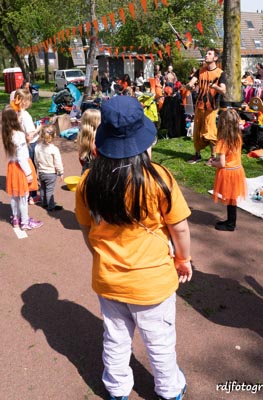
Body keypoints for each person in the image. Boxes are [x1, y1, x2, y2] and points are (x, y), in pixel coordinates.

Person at [75, 95, 192, 400]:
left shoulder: (88, 182)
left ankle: (116, 389)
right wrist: (184, 259)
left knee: (115, 338)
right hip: (152, 283)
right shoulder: (159, 178)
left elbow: (87, 228)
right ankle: (169, 389)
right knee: (160, 341)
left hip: (109, 279)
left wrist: (99, 256)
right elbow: (179, 227)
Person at [1, 106, 43, 230]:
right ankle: (25, 222)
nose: (20, 115)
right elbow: (21, 157)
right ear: (14, 118)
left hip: (12, 167)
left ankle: (15, 218)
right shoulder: (18, 134)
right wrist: (29, 173)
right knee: (24, 196)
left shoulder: (7, 133)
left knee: (14, 195)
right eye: (17, 114)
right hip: (21, 167)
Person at [207, 109, 247, 231]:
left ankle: (230, 224)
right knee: (232, 198)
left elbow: (222, 163)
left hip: (228, 173)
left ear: (222, 124)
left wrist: (212, 163)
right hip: (238, 170)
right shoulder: (238, 137)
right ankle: (231, 221)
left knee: (230, 197)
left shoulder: (223, 141)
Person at [187, 48, 227, 164]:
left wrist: (215, 87)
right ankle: (197, 155)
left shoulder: (220, 73)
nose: (206, 55)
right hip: (199, 106)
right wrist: (189, 86)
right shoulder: (200, 71)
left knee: (210, 132)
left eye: (209, 54)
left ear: (215, 58)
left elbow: (223, 90)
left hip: (212, 107)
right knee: (197, 132)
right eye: (206, 53)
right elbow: (191, 82)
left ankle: (213, 156)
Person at [12, 89, 42, 205]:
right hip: (30, 144)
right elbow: (30, 135)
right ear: (24, 102)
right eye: (29, 100)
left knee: (25, 168)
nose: (31, 102)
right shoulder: (26, 116)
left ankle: (27, 192)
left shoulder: (15, 113)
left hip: (21, 144)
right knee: (31, 169)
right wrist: (38, 128)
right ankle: (32, 195)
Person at [34, 125, 64, 211]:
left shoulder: (37, 146)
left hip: (41, 172)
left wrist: (37, 168)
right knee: (50, 190)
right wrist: (61, 172)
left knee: (43, 188)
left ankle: (44, 203)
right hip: (51, 173)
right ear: (54, 135)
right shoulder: (54, 149)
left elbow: (36, 160)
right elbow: (58, 163)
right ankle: (51, 207)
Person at [76, 108, 101, 174]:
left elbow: (81, 157)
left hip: (86, 172)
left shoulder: (82, 137)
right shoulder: (97, 139)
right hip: (98, 173)